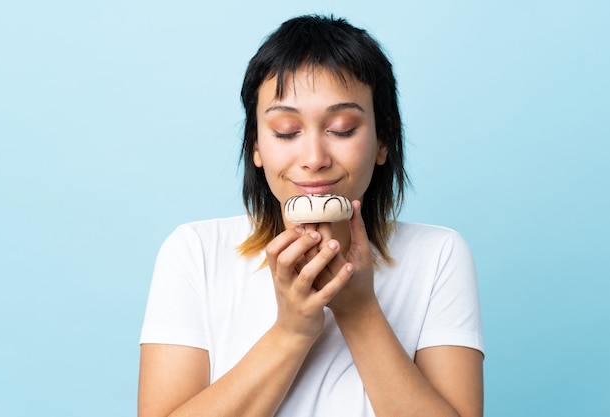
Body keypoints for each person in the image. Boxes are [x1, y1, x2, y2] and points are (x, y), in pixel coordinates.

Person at [138, 14, 484, 417]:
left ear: (382, 140)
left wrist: (359, 310)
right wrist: (291, 331)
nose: (314, 159)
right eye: (286, 131)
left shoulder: (438, 254)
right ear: (256, 146)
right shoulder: (194, 252)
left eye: (341, 128)